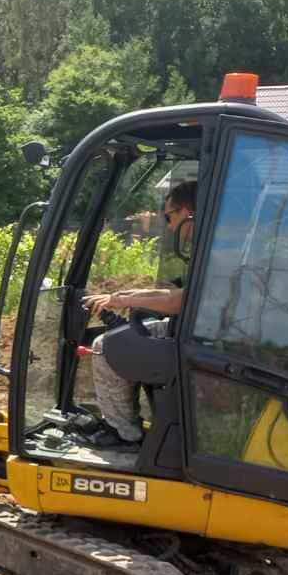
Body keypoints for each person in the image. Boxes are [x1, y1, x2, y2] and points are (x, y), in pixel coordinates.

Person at [81, 181, 197, 445]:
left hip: (195, 339)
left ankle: (125, 434)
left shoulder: (214, 249)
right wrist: (121, 298)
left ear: (188, 211)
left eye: (170, 217)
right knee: (129, 337)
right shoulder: (215, 245)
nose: (169, 226)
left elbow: (178, 302)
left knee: (104, 348)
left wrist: (119, 298)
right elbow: (178, 296)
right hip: (198, 330)